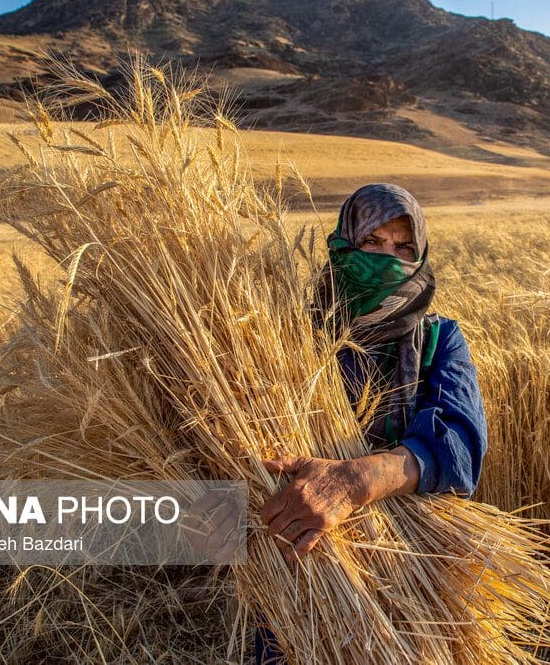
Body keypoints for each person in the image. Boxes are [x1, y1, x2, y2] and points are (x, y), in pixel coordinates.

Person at [188, 183, 488, 663]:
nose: (389, 259)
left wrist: (355, 481)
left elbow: (460, 447)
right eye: (373, 242)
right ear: (343, 245)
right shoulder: (284, 335)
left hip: (405, 569)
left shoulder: (439, 338)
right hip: (297, 566)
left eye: (404, 246)